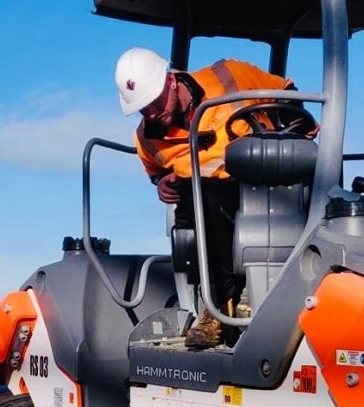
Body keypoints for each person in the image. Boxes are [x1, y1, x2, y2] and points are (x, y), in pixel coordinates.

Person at [116, 47, 315, 348]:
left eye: (154, 103)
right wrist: (161, 183)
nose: (152, 113)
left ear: (171, 81)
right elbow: (155, 169)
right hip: (207, 201)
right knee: (204, 196)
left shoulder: (230, 76)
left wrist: (284, 131)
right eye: (143, 109)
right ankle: (218, 307)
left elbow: (287, 94)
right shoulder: (146, 137)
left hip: (272, 180)